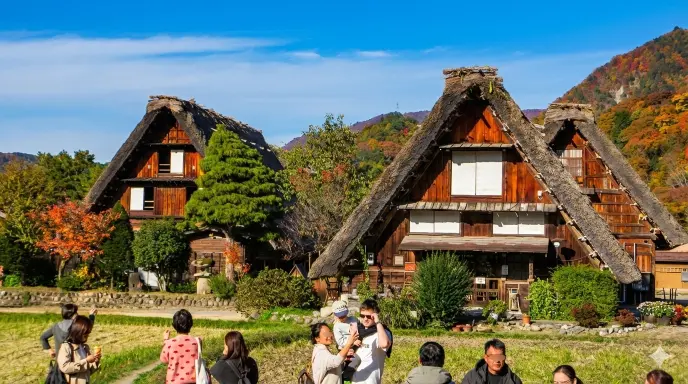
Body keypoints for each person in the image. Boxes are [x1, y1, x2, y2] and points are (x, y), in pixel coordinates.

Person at [352, 299, 393, 384]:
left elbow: (384, 344)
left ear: (375, 315)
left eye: (369, 316)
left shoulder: (383, 332)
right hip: (353, 378)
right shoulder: (358, 330)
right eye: (362, 316)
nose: (365, 319)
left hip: (370, 380)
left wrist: (377, 322)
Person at [56, 315, 101, 383]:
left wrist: (96, 361)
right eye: (85, 334)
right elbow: (65, 367)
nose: (87, 336)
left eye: (88, 333)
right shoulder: (66, 347)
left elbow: (88, 371)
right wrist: (86, 361)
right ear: (77, 332)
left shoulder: (85, 347)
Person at [160, 309, 199, 384]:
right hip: (193, 381)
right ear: (191, 324)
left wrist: (165, 339)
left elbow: (163, 359)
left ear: (174, 325)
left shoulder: (170, 343)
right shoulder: (197, 341)